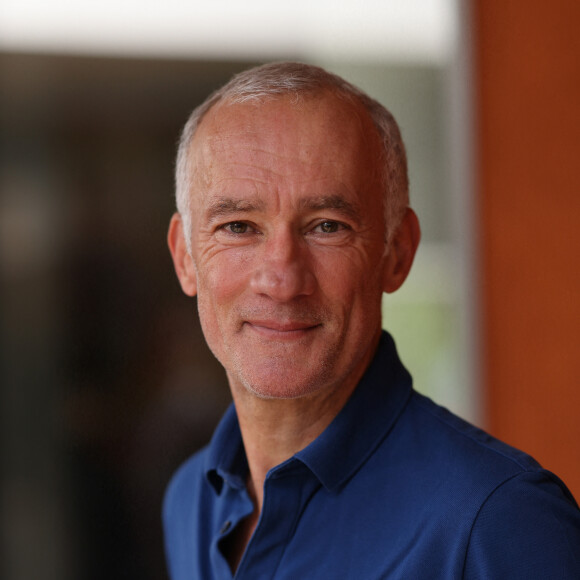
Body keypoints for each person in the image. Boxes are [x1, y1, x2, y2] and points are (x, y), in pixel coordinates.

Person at [164, 62, 580, 579]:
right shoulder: (189, 502)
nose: (283, 279)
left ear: (397, 253)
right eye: (239, 226)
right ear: (185, 257)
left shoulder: (500, 521)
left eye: (327, 226)